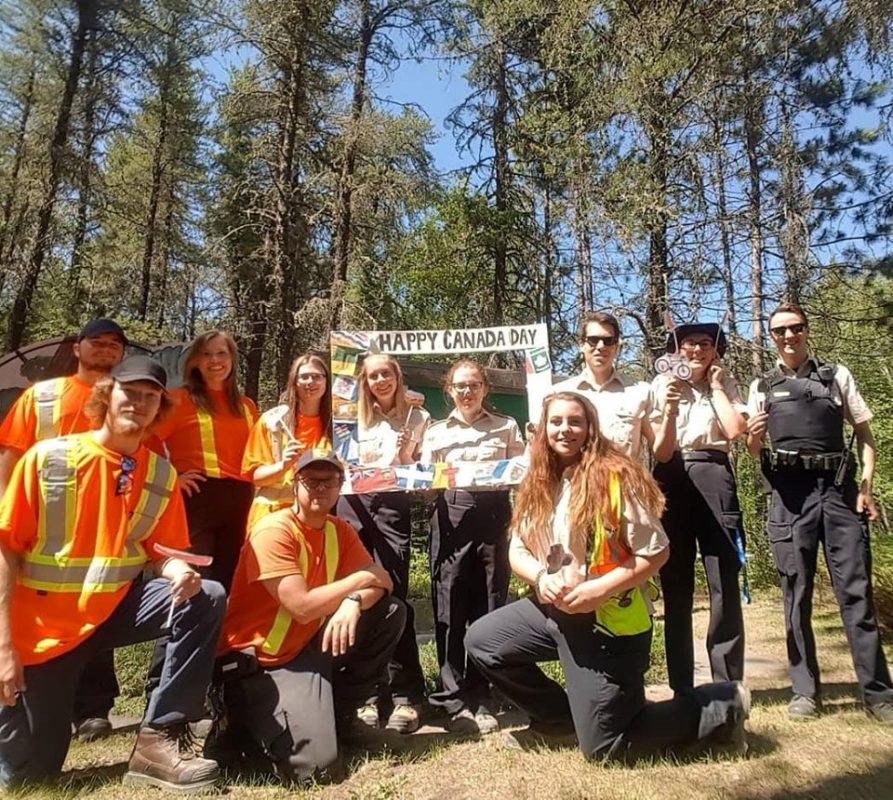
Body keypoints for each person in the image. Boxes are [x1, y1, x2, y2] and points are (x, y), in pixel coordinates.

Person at [464, 391, 750, 762]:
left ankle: (721, 702)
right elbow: (517, 549)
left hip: (608, 621)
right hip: (553, 612)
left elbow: (657, 552)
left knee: (605, 748)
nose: (565, 429)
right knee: (483, 641)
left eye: (575, 421)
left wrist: (598, 590)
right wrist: (539, 577)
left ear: (590, 428)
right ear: (543, 428)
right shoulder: (537, 479)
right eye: (556, 421)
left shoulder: (614, 478)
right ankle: (558, 721)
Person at [0, 355, 226, 791]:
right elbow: (6, 550)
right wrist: (4, 647)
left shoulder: (160, 475)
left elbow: (160, 552)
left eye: (151, 397)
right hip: (42, 638)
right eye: (130, 392)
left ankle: (157, 740)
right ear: (106, 396)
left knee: (206, 596)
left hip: (112, 613)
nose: (139, 403)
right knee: (28, 777)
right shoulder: (48, 460)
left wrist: (175, 567)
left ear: (160, 408)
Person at [208, 449, 405, 783]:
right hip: (262, 661)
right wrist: (358, 581)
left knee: (391, 612)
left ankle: (343, 717)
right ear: (294, 484)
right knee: (316, 771)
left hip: (307, 646)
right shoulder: (273, 531)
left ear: (340, 486)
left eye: (329, 481)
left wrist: (353, 600)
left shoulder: (339, 530)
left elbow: (383, 582)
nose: (320, 488)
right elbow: (301, 608)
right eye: (311, 480)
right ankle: (234, 721)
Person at [746, 302, 893, 722]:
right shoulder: (762, 386)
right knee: (796, 596)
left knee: (856, 594)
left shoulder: (835, 376)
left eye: (795, 328)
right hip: (790, 498)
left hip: (840, 494)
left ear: (807, 330)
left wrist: (865, 489)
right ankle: (805, 692)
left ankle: (878, 694)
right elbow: (754, 451)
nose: (788, 336)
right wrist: (753, 440)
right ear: (771, 337)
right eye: (779, 331)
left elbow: (865, 436)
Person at [0, 317, 127, 741]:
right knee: (30, 611)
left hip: (104, 523)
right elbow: (12, 455)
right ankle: (27, 699)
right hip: (39, 520)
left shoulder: (126, 400)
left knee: (100, 607)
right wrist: (4, 508)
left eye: (114, 344)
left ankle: (94, 710)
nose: (106, 349)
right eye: (98, 342)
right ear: (77, 347)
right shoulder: (42, 396)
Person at [420, 359, 525, 735]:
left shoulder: (506, 426)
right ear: (449, 390)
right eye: (460, 386)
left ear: (485, 388)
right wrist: (418, 482)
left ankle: (484, 696)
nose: (467, 392)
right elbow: (423, 482)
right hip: (450, 512)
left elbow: (522, 475)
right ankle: (451, 698)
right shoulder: (434, 432)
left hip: (495, 514)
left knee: (490, 605)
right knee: (449, 606)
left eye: (474, 385)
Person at [650, 322, 748, 694]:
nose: (696, 350)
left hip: (714, 470)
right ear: (677, 350)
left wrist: (718, 387)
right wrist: (670, 409)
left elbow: (735, 429)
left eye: (705, 344)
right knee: (676, 583)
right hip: (671, 472)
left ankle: (728, 681)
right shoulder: (661, 384)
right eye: (689, 344)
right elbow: (660, 450)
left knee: (723, 577)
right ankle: (682, 685)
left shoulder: (725, 382)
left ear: (715, 351)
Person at [336, 353, 429, 734]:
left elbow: (422, 471)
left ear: (397, 376)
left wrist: (407, 452)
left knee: (394, 595)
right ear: (364, 381)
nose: (380, 381)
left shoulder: (418, 417)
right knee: (357, 592)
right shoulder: (347, 416)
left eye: (386, 374)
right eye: (373, 376)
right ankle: (367, 697)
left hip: (393, 505)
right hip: (351, 505)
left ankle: (408, 695)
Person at [151, 331, 258, 590]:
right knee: (195, 578)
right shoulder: (177, 399)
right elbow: (145, 441)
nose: (215, 360)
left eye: (222, 353)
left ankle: (223, 631)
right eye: (206, 354)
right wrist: (172, 478)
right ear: (195, 361)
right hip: (196, 497)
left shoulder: (247, 406)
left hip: (241, 499)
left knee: (232, 577)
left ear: (232, 359)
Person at [242, 353, 332, 531]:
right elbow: (254, 477)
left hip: (320, 518)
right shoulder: (272, 422)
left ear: (326, 381)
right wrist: (283, 465)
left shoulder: (339, 426)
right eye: (304, 377)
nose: (310, 382)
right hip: (273, 517)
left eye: (316, 376)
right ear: (294, 382)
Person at [552, 311, 653, 459]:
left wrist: (671, 410)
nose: (600, 346)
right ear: (581, 344)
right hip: (575, 480)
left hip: (623, 479)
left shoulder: (641, 392)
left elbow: (661, 450)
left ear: (616, 346)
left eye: (608, 340)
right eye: (593, 340)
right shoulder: (558, 394)